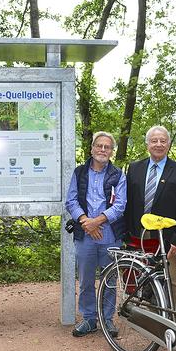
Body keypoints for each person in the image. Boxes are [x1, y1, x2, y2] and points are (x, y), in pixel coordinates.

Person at [65, 131, 126, 337]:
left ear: (111, 151)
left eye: (107, 147)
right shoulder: (80, 173)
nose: (102, 150)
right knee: (85, 280)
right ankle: (89, 319)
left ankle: (107, 319)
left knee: (109, 280)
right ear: (91, 148)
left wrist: (96, 222)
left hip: (110, 234)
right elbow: (71, 201)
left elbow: (120, 206)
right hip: (85, 235)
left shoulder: (118, 174)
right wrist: (85, 222)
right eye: (99, 146)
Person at [124, 125, 176, 308]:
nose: (159, 144)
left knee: (171, 280)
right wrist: (125, 233)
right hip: (138, 236)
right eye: (154, 141)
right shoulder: (134, 168)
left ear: (169, 144)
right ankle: (145, 315)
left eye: (163, 141)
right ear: (147, 144)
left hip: (167, 238)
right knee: (141, 277)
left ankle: (173, 317)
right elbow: (128, 204)